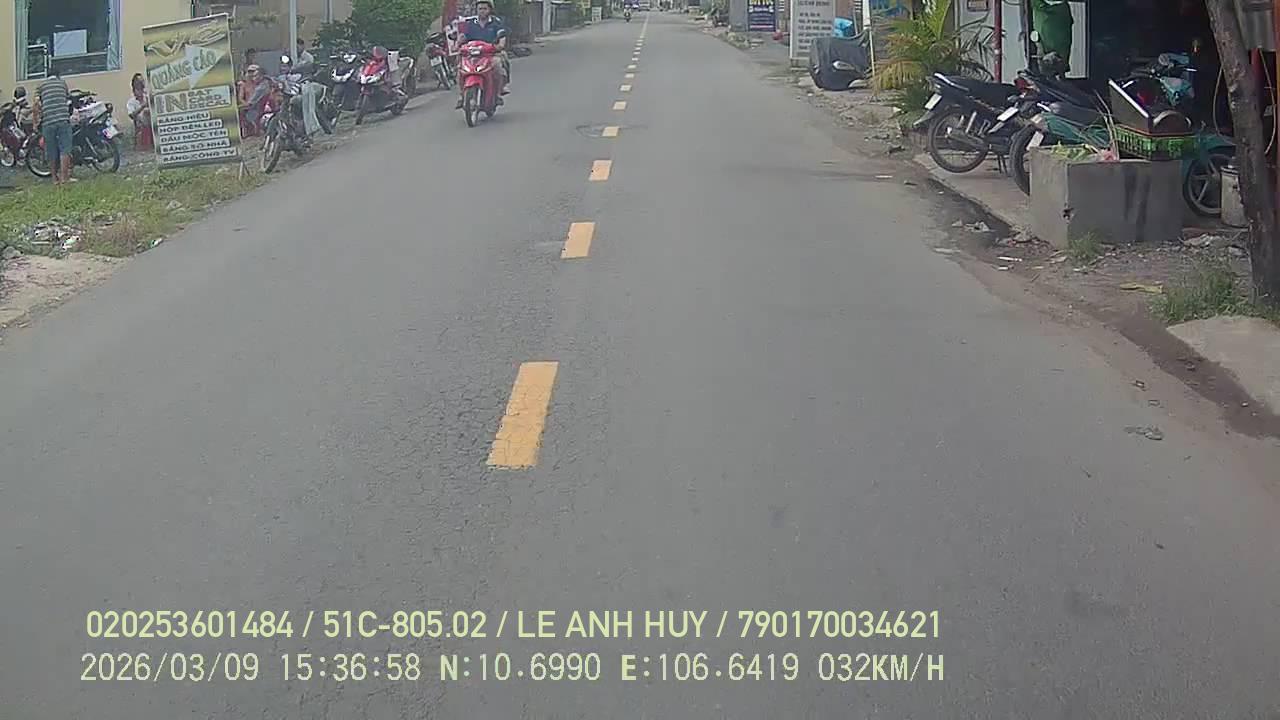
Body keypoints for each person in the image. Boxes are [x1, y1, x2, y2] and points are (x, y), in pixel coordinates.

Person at [455, 0, 510, 108]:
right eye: (480, 9)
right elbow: (463, 37)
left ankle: (499, 91)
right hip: (472, 54)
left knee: (498, 65)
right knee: (460, 69)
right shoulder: (471, 23)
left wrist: (499, 45)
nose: (482, 11)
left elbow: (502, 38)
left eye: (485, 9)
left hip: (490, 54)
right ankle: (462, 95)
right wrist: (458, 43)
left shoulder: (496, 23)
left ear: (490, 10)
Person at [31, 71, 73, 185]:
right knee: (65, 149)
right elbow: (68, 99)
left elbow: (36, 104)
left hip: (48, 122)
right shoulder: (62, 83)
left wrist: (35, 122)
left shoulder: (41, 86)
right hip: (63, 120)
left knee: (51, 151)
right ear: (58, 75)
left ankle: (54, 179)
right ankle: (64, 178)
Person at [126, 73, 153, 150]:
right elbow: (131, 115)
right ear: (134, 91)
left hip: (151, 120)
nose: (140, 92)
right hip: (141, 123)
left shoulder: (147, 97)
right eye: (138, 90)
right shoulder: (131, 102)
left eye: (141, 89)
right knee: (144, 113)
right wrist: (142, 107)